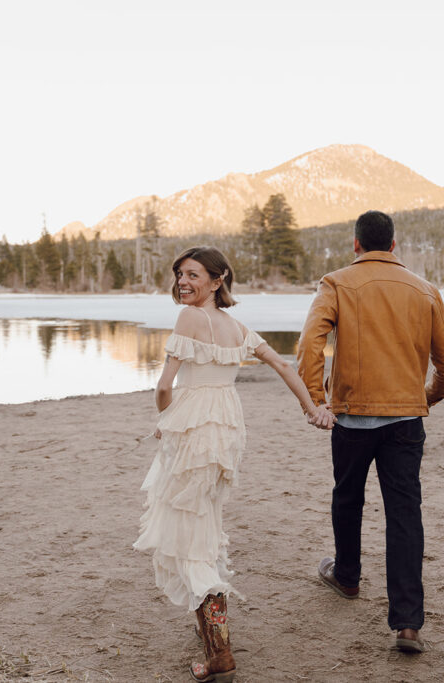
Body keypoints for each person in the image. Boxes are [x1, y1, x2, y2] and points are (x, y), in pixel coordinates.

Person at [134, 246, 334, 683]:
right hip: (225, 434)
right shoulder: (237, 327)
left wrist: (164, 421)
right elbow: (282, 364)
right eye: (179, 274)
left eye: (193, 274)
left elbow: (164, 387)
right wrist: (312, 408)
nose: (183, 282)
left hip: (193, 432)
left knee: (188, 534)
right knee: (202, 521)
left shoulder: (189, 318)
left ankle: (220, 653)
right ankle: (208, 627)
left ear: (218, 279)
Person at [296, 210, 444, 653]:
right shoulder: (424, 289)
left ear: (356, 244)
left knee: (347, 498)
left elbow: (310, 342)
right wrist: (428, 396)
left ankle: (347, 577)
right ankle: (408, 624)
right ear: (393, 245)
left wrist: (315, 398)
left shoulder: (336, 283)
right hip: (406, 420)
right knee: (405, 513)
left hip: (351, 416)